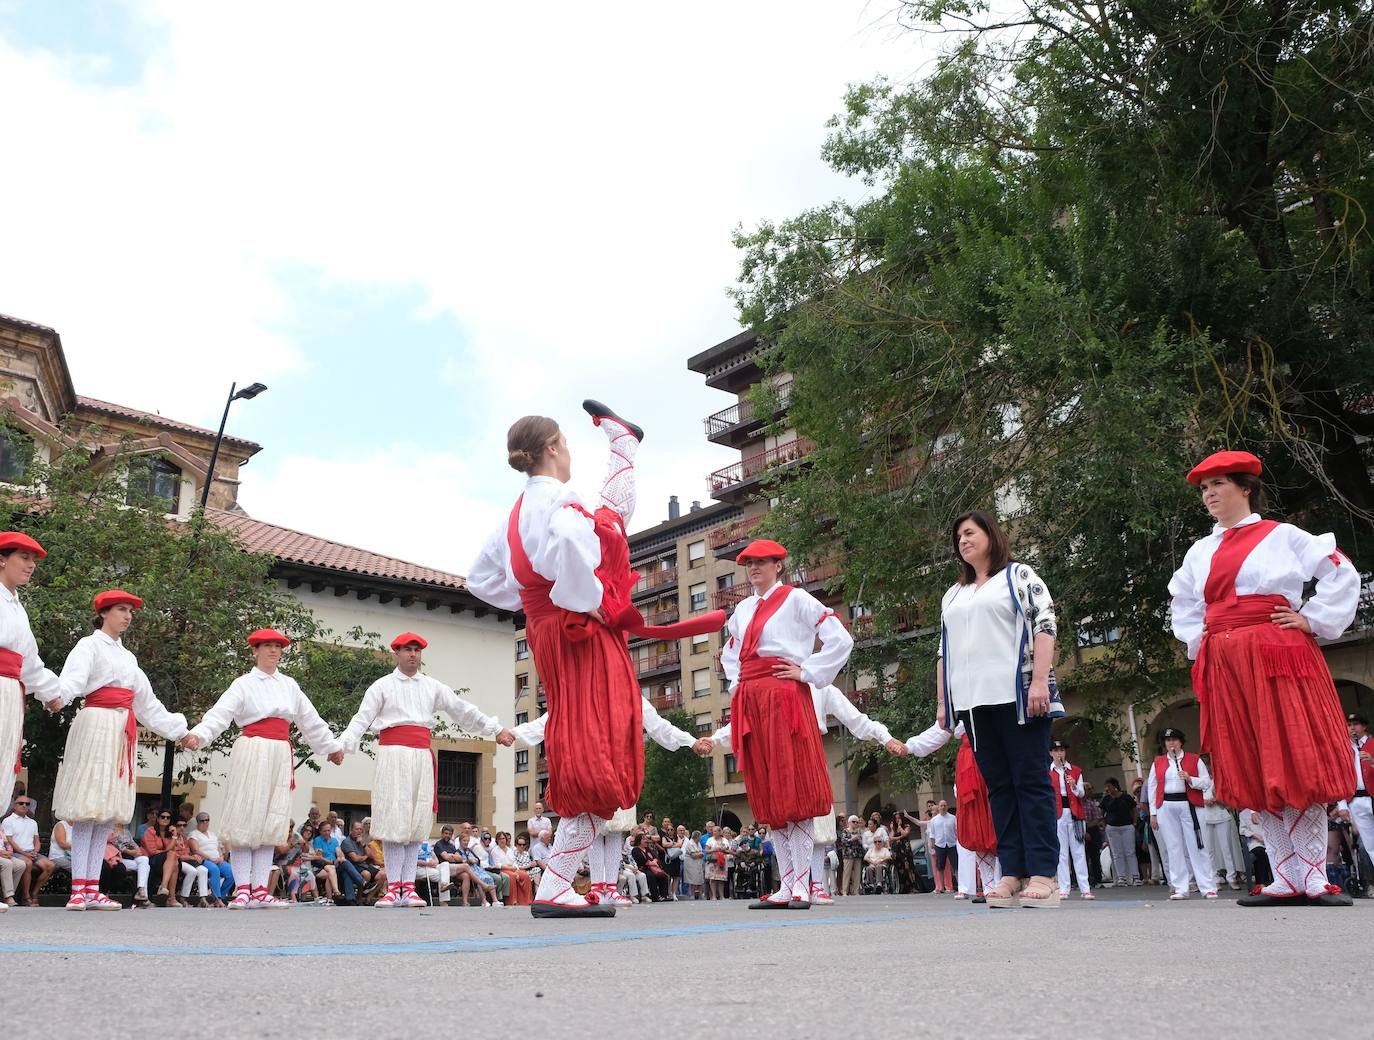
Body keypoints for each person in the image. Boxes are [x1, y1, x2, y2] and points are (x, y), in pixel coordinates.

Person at [469, 406, 724, 917]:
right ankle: (557, 881)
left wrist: (531, 599)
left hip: (547, 630)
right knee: (600, 746)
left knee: (582, 742)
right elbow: (569, 543)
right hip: (577, 628)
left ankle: (557, 882)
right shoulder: (561, 500)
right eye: (566, 444)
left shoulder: (514, 514)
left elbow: (478, 579)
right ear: (556, 448)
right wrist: (582, 596)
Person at [1169, 450, 1361, 907]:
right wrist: (1205, 642)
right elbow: (1183, 602)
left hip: (1277, 653)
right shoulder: (1200, 550)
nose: (1209, 494)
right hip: (1227, 662)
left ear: (1245, 488)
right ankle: (1283, 876)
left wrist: (1311, 619)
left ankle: (1314, 876)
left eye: (1217, 485)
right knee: (1253, 759)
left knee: (1295, 755)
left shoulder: (1283, 535)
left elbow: (1340, 570)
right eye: (1203, 489)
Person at [716, 538, 853, 909]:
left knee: (794, 786)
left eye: (762, 562)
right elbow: (730, 654)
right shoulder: (742, 609)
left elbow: (840, 638)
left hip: (785, 694)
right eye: (749, 564)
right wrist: (736, 686)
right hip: (752, 699)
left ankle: (802, 884)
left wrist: (807, 671)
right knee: (770, 789)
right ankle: (786, 883)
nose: (754, 568)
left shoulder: (797, 599)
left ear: (779, 565)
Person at [938, 511, 1060, 908]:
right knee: (1000, 788)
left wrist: (1039, 681)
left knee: (1031, 782)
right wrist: (944, 702)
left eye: (970, 533)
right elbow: (944, 651)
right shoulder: (953, 595)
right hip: (973, 704)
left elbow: (1046, 625)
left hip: (1018, 696)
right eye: (958, 536)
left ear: (990, 534)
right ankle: (1011, 872)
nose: (963, 540)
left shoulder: (1019, 576)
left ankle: (1043, 874)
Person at [339, 631, 513, 908]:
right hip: (393, 755)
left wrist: (496, 729)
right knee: (395, 822)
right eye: (407, 650)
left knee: (415, 823)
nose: (412, 655)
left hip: (421, 755)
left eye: (417, 650)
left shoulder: (432, 687)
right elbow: (361, 719)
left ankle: (408, 887)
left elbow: (462, 710)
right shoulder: (381, 686)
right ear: (396, 653)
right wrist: (342, 745)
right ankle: (393, 887)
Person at [179, 628, 345, 909]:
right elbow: (220, 714)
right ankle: (243, 888)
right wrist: (200, 734)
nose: (273, 651)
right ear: (255, 651)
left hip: (280, 751)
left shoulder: (289, 685)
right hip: (253, 747)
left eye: (278, 647)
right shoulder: (243, 683)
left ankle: (259, 889)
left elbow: (310, 719)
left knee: (271, 818)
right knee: (248, 815)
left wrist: (331, 746)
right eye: (267, 646)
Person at [47, 590, 188, 911]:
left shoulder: (129, 659)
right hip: (96, 725)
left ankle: (92, 887)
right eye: (122, 610)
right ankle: (78, 890)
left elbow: (148, 704)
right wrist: (57, 697)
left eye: (130, 611)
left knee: (104, 815)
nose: (128, 616)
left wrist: (181, 732)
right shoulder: (89, 645)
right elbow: (71, 681)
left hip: (120, 732)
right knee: (87, 810)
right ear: (105, 613)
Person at [708, 683, 907, 905]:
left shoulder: (817, 682)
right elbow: (743, 718)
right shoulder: (769, 682)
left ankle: (810, 885)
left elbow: (855, 718)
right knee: (778, 818)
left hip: (807, 747)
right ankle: (788, 885)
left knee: (814, 822)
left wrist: (885, 737)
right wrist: (714, 739)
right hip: (774, 751)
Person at [514, 697, 711, 908]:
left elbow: (656, 722)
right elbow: (556, 715)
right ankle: (597, 887)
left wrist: (689, 740)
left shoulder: (623, 690)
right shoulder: (588, 690)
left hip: (618, 773)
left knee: (615, 834)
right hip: (594, 769)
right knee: (595, 834)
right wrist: (516, 733)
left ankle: (610, 887)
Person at [0, 532, 67, 902]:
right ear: (2, 560)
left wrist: (53, 693)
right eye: (23, 557)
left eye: (33, 560)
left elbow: (30, 664)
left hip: (11, 695)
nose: (30, 566)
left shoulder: (17, 606)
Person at [1146, 728, 1217, 900]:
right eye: (1168, 740)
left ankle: (1207, 886)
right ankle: (1180, 887)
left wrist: (1190, 779)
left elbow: (1206, 782)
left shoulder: (1194, 759)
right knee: (1173, 847)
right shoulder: (1158, 762)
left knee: (1197, 845)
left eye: (1174, 740)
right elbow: (1153, 788)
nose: (1171, 743)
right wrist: (1153, 813)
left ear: (1180, 742)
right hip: (1167, 806)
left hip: (1189, 803)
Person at [1049, 740, 1093, 900]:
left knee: (1078, 852)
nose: (1059, 753)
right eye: (1056, 750)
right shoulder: (1048, 772)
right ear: (1051, 753)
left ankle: (1085, 888)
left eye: (1061, 750)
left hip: (1074, 814)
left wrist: (1074, 786)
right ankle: (1064, 888)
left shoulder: (1075, 770)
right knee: (1061, 853)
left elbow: (1081, 794)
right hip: (1058, 814)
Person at [2, 794, 52, 906]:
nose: (24, 806)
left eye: (27, 804)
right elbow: (10, 841)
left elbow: (37, 840)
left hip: (31, 852)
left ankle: (34, 893)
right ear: (14, 806)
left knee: (50, 866)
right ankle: (25, 897)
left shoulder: (32, 822)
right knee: (28, 863)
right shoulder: (8, 821)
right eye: (21, 803)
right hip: (16, 852)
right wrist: (25, 853)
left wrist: (35, 851)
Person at [1099, 778, 1141, 886]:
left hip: (1127, 826)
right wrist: (1104, 824)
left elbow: (1134, 810)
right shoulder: (1106, 799)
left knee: (1130, 852)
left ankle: (1135, 876)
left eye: (1109, 786)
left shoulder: (1126, 797)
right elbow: (1101, 812)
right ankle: (1121, 877)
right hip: (1112, 828)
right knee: (1117, 853)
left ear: (1115, 786)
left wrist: (1134, 823)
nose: (1107, 789)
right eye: (1106, 786)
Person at [188, 812, 234, 905]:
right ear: (198, 822)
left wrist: (221, 857)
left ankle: (219, 896)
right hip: (204, 860)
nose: (205, 822)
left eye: (207, 820)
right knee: (214, 870)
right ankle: (218, 899)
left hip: (217, 859)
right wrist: (210, 858)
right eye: (202, 820)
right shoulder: (194, 834)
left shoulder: (212, 834)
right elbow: (195, 850)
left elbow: (218, 848)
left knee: (232, 872)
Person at [140, 810, 184, 907]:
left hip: (167, 861)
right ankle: (169, 895)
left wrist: (174, 836)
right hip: (152, 860)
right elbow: (152, 851)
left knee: (175, 863)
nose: (165, 819)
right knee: (173, 858)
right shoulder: (150, 831)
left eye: (168, 818)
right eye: (163, 817)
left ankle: (168, 893)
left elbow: (173, 849)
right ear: (158, 818)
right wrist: (166, 852)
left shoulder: (170, 833)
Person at [1202, 793, 1245, 891]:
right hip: (1205, 814)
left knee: (1227, 848)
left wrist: (1217, 799)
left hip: (1222, 813)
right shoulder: (1200, 777)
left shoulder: (1220, 779)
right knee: (1209, 849)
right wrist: (1204, 801)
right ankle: (1214, 878)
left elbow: (1229, 798)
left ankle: (1231, 878)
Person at [1346, 713, 1374, 860]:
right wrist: (1342, 804)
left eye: (1355, 724)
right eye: (1349, 725)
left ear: (1364, 726)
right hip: (1356, 799)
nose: (1352, 728)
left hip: (1372, 796)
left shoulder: (1372, 744)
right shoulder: (1344, 749)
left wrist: (1372, 762)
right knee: (1370, 844)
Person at [491, 831, 533, 905]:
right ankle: (512, 901)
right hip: (502, 869)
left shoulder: (510, 850)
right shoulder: (495, 850)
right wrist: (511, 869)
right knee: (512, 876)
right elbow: (497, 865)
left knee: (525, 876)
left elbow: (514, 862)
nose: (502, 840)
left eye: (503, 838)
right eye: (500, 838)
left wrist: (516, 870)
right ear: (497, 840)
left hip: (513, 868)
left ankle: (527, 900)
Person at [927, 801, 958, 894]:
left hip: (952, 844)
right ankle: (942, 887)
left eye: (944, 805)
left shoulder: (953, 818)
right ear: (938, 807)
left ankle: (960, 885)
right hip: (940, 845)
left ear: (947, 807)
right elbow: (932, 834)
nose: (943, 807)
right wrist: (932, 844)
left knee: (956, 866)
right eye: (941, 806)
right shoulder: (934, 820)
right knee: (940, 866)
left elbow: (957, 831)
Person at [1082, 782, 1106, 888]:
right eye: (1088, 789)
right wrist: (1083, 831)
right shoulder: (1076, 804)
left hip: (1092, 830)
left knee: (1094, 856)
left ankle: (1097, 879)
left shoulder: (1091, 804)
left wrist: (1088, 828)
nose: (1090, 791)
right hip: (1079, 830)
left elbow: (1097, 819)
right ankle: (1080, 880)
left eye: (1091, 789)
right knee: (1081, 857)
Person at [838, 816, 865, 897]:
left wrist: (860, 840)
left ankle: (856, 891)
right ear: (849, 822)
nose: (855, 823)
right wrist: (852, 839)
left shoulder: (859, 831)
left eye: (857, 822)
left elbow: (862, 842)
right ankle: (844, 891)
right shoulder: (845, 831)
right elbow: (843, 842)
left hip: (857, 854)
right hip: (848, 854)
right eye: (854, 822)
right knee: (847, 873)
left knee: (857, 873)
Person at [704, 825, 730, 900]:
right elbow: (707, 850)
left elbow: (728, 849)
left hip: (721, 861)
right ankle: (714, 896)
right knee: (713, 879)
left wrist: (723, 849)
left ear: (719, 832)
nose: (714, 832)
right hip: (712, 861)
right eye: (713, 831)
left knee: (721, 879)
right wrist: (714, 849)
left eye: (715, 831)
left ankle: (722, 896)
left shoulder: (724, 840)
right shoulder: (710, 840)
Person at [682, 828, 705, 898]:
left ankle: (699, 894)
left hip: (698, 863)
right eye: (699, 836)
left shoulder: (698, 843)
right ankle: (692, 894)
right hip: (691, 864)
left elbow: (700, 853)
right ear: (697, 836)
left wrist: (700, 853)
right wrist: (700, 853)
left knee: (699, 879)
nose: (700, 838)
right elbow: (694, 855)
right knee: (693, 880)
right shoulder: (690, 843)